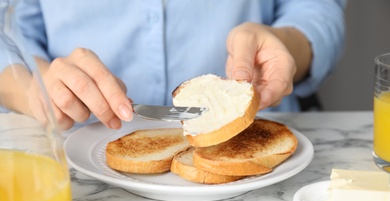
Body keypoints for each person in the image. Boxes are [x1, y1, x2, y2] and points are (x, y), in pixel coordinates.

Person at [1, 0, 346, 130]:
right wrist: (33, 87)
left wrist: (284, 43)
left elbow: (317, 9)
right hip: (74, 157)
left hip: (258, 145)